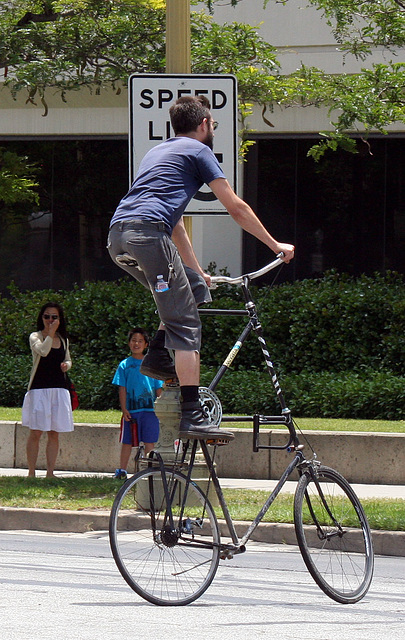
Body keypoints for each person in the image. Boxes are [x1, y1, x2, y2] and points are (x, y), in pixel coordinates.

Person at [107, 95, 295, 440]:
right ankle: (192, 414)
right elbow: (235, 207)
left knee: (193, 287)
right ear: (205, 124)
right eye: (213, 125)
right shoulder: (199, 152)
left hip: (119, 239)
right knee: (187, 324)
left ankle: (159, 357)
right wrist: (275, 245)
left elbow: (175, 224)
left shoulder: (157, 153)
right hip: (148, 236)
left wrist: (197, 271)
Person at [22, 302, 74, 477]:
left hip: (59, 389)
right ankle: (31, 472)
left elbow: (68, 359)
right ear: (41, 318)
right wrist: (50, 333)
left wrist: (67, 365)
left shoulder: (64, 339)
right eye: (47, 316)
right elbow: (43, 351)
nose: (50, 320)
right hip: (39, 389)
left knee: (54, 433)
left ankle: (50, 472)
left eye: (54, 317)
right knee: (36, 431)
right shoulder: (35, 336)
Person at [112, 328, 163, 480]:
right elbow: (122, 387)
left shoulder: (151, 364)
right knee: (127, 441)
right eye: (134, 340)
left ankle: (149, 470)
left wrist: (162, 407)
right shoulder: (124, 365)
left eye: (140, 341)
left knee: (150, 441)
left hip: (150, 411)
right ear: (129, 343)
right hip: (132, 411)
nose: (136, 343)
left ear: (146, 344)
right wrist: (124, 408)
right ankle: (121, 470)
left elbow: (158, 388)